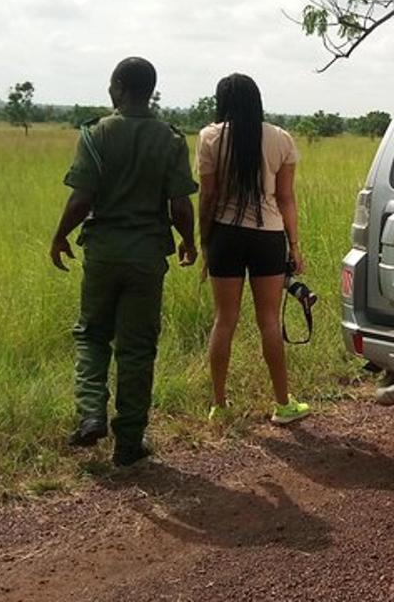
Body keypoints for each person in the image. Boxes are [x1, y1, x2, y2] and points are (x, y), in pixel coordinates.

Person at [51, 57, 198, 467]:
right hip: (148, 257)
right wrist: (188, 240)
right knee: (137, 349)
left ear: (117, 87)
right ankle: (129, 443)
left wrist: (60, 235)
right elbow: (180, 204)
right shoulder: (170, 139)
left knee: (92, 334)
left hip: (102, 253)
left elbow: (81, 199)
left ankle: (91, 413)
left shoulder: (95, 134)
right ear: (151, 90)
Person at [198, 73, 310, 425]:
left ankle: (219, 405)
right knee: (269, 322)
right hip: (268, 236)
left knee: (224, 321)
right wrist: (294, 245)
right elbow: (286, 197)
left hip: (226, 235)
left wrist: (205, 241)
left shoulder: (210, 137)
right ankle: (283, 403)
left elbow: (208, 196)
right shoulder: (280, 138)